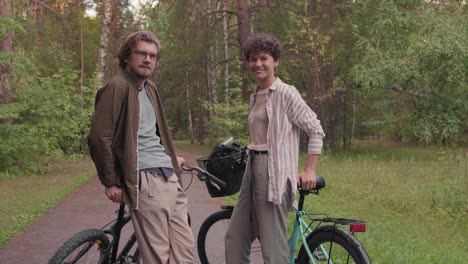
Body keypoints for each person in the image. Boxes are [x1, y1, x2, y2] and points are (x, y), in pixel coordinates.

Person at [88, 30, 194, 264]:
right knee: (159, 255)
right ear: (127, 56)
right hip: (145, 178)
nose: (148, 59)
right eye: (142, 54)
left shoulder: (150, 88)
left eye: (153, 56)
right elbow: (99, 137)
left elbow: (154, 133)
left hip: (168, 176)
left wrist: (172, 156)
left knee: (184, 250)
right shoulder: (117, 87)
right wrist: (111, 181)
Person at [225, 32, 325, 263]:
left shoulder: (286, 93)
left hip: (274, 173)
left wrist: (309, 169)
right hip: (252, 167)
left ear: (275, 61)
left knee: (273, 246)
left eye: (264, 58)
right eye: (252, 59)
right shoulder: (255, 95)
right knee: (235, 237)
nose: (257, 63)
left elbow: (316, 129)